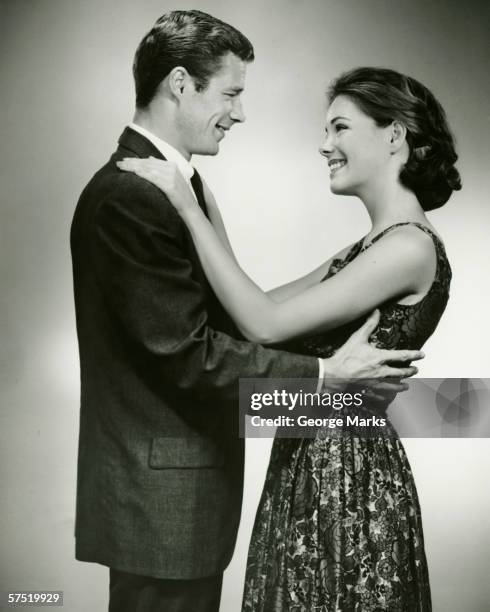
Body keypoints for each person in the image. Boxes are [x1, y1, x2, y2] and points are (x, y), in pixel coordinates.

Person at [70, 11, 419, 612]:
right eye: (230, 93)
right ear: (181, 84)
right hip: (161, 506)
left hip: (185, 497)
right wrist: (325, 381)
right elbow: (187, 356)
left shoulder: (178, 188)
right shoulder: (133, 195)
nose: (238, 112)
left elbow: (242, 319)